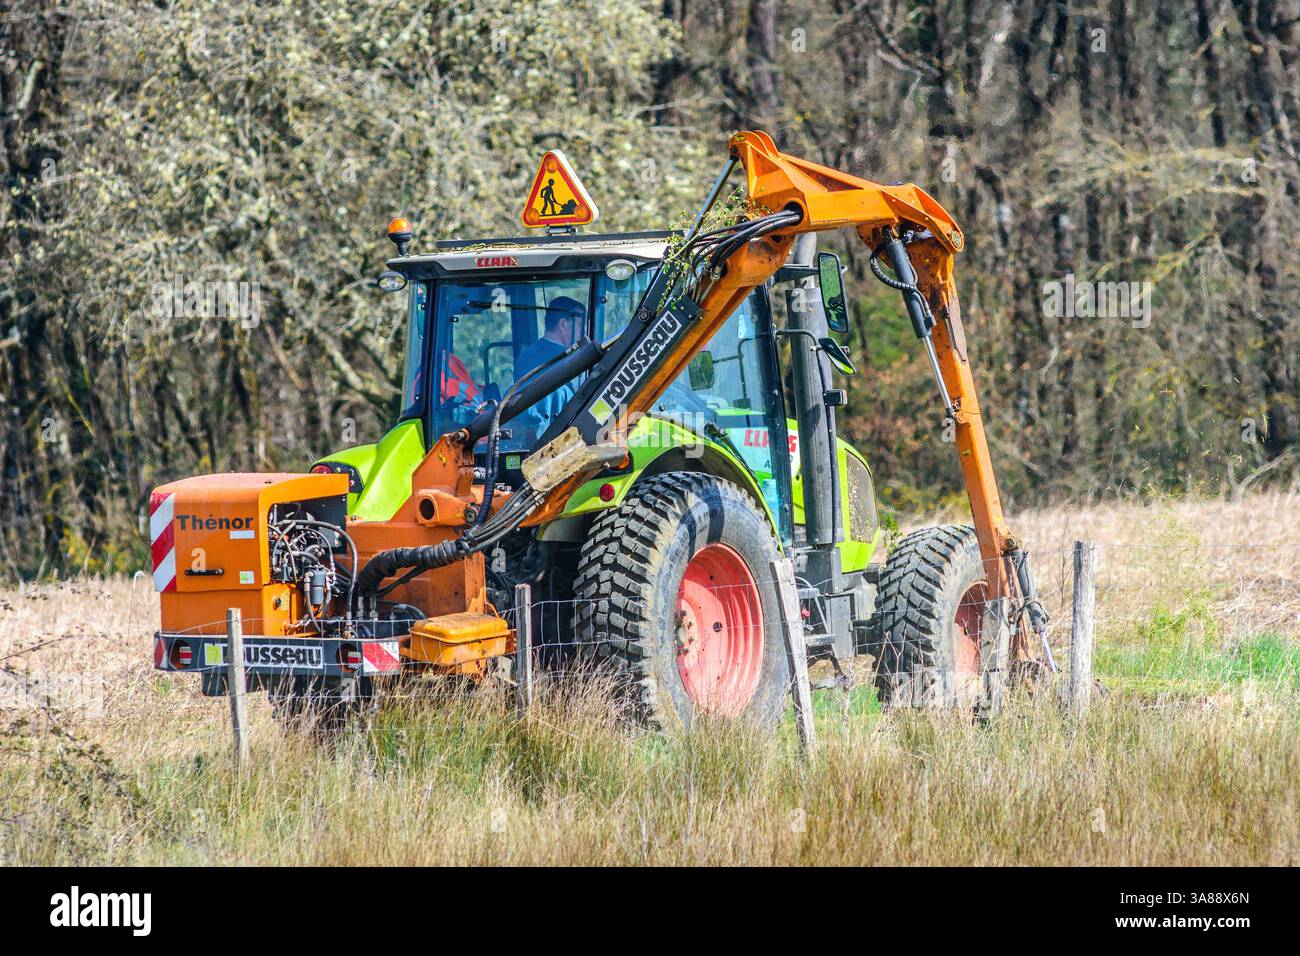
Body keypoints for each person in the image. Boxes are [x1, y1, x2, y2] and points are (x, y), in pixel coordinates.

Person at [515, 295, 585, 436]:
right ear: (563, 324)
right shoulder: (573, 360)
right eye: (579, 325)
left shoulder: (525, 356)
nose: (582, 333)